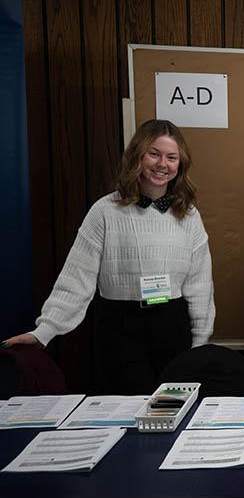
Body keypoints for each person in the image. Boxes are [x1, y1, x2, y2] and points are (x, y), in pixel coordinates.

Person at [2, 119, 215, 394]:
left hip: (173, 326)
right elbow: (77, 277)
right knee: (129, 410)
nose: (163, 164)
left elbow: (200, 285)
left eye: (171, 157)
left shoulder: (188, 215)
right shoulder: (105, 211)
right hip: (121, 328)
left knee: (174, 409)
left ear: (180, 164)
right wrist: (44, 331)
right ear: (137, 155)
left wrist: (200, 342)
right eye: (154, 154)